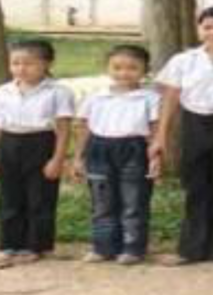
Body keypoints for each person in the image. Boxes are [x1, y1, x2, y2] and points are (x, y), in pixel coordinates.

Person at [151, 6, 213, 270]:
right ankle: (191, 249)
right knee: (196, 187)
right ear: (199, 30)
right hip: (194, 125)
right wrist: (160, 137)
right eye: (208, 27)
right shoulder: (184, 60)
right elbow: (170, 100)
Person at [0, 39, 74, 270]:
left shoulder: (58, 92)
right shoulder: (3, 91)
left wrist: (57, 159)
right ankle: (8, 245)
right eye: (15, 63)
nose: (21, 68)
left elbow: (63, 128)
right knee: (9, 198)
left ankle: (35, 246)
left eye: (29, 63)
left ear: (47, 63)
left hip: (41, 142)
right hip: (9, 144)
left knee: (40, 198)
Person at [73, 44, 161, 265]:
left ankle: (133, 248)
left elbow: (154, 130)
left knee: (134, 201)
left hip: (134, 149)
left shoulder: (149, 98)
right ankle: (102, 247)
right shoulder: (95, 97)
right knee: (102, 202)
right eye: (117, 67)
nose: (124, 73)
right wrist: (78, 157)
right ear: (107, 69)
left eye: (132, 68)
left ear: (145, 70)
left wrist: (155, 157)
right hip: (99, 149)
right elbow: (83, 127)